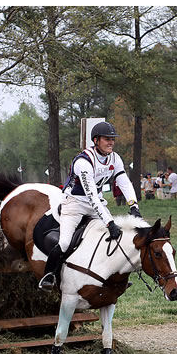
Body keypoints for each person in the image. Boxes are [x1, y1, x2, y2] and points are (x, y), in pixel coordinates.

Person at [38, 121, 141, 291]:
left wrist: (134, 206)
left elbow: (124, 182)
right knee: (64, 243)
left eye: (113, 139)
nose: (111, 142)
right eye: (107, 139)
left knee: (115, 239)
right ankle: (48, 276)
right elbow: (91, 195)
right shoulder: (83, 162)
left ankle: (114, 277)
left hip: (96, 203)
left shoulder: (115, 158)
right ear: (95, 140)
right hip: (75, 204)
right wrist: (110, 222)